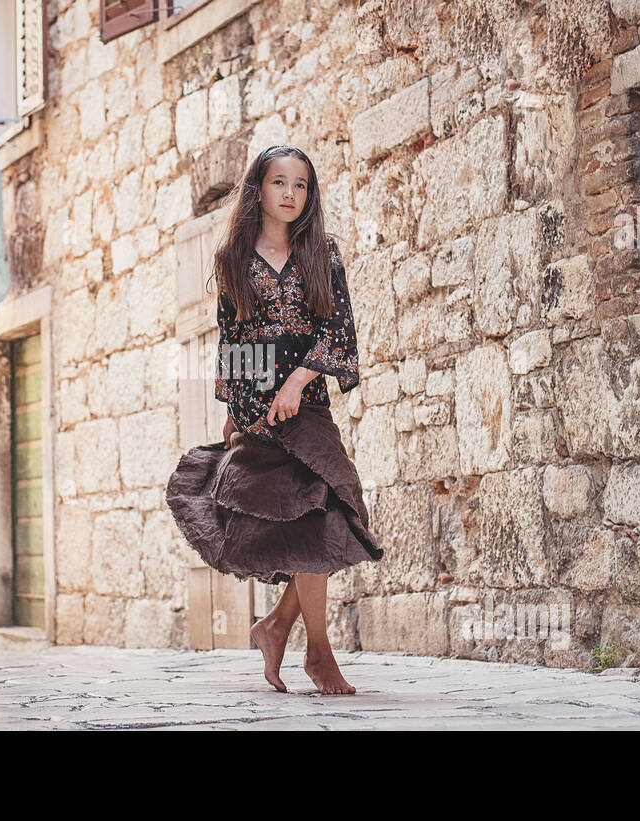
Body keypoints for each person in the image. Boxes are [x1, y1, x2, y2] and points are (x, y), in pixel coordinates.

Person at [165, 145, 383, 695]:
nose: (291, 195)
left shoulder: (322, 253)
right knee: (308, 522)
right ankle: (315, 650)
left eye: (302, 185)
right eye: (280, 183)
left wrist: (298, 381)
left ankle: (284, 629)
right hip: (260, 413)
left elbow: (338, 331)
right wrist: (237, 414)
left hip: (306, 406)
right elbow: (234, 343)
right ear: (258, 190)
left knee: (335, 504)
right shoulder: (233, 260)